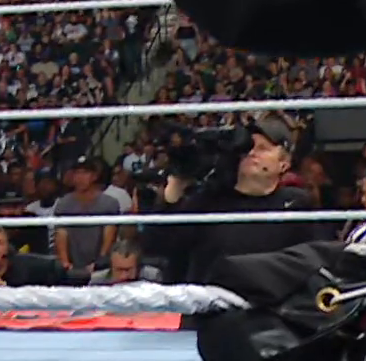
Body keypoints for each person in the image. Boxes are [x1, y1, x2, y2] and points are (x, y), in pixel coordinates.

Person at [142, 117, 333, 283]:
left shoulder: (295, 204)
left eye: (263, 148)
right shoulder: (208, 200)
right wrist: (176, 185)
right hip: (212, 305)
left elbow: (319, 261)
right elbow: (157, 245)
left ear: (284, 163)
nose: (252, 153)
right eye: (248, 147)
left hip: (270, 308)